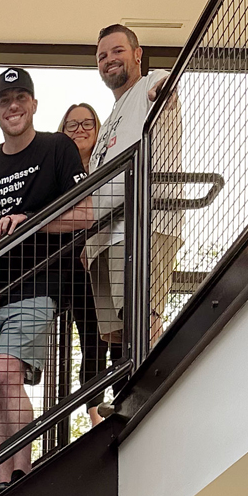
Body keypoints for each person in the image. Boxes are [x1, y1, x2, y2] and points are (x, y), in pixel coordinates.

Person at [0, 68, 91, 489]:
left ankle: (22, 472)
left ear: (33, 104)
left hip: (38, 283)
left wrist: (30, 221)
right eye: (4, 101)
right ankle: (3, 482)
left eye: (20, 98)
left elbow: (85, 214)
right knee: (0, 388)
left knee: (5, 374)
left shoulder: (58, 148)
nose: (12, 106)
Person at [87, 25, 181, 355]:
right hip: (105, 236)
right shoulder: (112, 115)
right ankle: (136, 400)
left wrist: (163, 91)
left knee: (144, 317)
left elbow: (165, 88)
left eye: (117, 51)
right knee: (123, 336)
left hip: (141, 226)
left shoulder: (147, 84)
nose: (109, 59)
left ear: (137, 54)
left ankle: (163, 397)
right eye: (102, 56)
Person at [55, 104, 109, 401]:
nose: (80, 130)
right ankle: (95, 415)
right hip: (73, 265)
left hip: (107, 252)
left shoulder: (109, 167)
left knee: (118, 333)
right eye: (72, 125)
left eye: (87, 123)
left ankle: (122, 402)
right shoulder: (57, 174)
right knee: (90, 338)